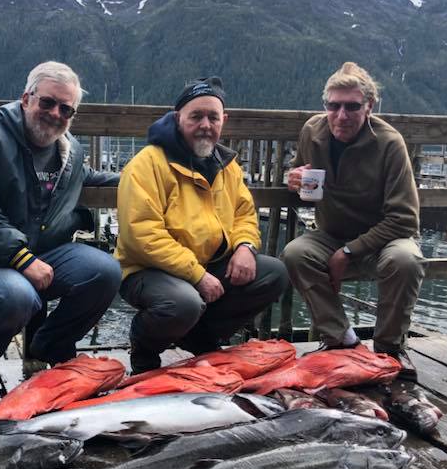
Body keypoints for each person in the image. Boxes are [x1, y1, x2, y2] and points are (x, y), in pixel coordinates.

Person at [0, 61, 121, 392]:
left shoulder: (70, 149)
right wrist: (23, 259)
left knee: (105, 272)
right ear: (26, 98)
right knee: (16, 296)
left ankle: (50, 345)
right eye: (48, 102)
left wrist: (141, 180)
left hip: (44, 253)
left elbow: (87, 178)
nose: (55, 113)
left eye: (66, 109)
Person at [115, 77, 289, 373]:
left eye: (213, 116)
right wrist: (197, 276)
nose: (205, 124)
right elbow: (141, 234)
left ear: (225, 120)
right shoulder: (147, 164)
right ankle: (144, 344)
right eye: (196, 116)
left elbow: (244, 212)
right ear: (178, 117)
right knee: (183, 303)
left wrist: (245, 246)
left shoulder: (226, 164)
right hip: (148, 271)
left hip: (208, 265)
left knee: (274, 274)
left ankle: (197, 336)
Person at [283, 61, 424, 374]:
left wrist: (348, 253)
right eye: (333, 106)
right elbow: (300, 179)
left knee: (406, 261)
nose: (341, 116)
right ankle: (340, 341)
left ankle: (390, 349)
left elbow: (405, 219)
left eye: (351, 107)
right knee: (295, 253)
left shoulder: (390, 143)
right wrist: (291, 180)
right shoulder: (312, 131)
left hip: (385, 239)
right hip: (331, 233)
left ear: (369, 107)